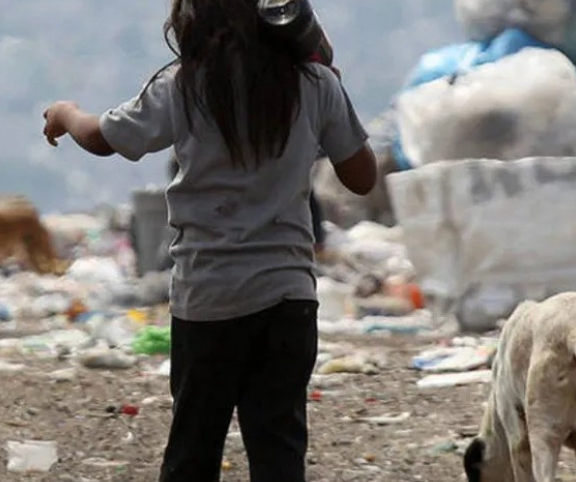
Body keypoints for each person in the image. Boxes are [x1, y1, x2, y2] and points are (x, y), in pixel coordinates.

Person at [39, 0, 379, 479]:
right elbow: (362, 177)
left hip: (208, 299)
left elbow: (103, 137)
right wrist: (328, 72)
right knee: (279, 451)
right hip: (288, 299)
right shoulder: (314, 83)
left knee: (193, 450)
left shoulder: (184, 84)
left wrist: (65, 113)